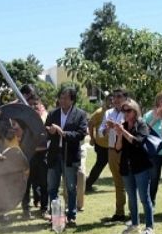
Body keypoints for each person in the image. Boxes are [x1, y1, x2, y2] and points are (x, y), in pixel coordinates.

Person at [45, 86, 87, 226]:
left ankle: (71, 215)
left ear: (72, 100)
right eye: (60, 97)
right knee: (52, 187)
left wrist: (63, 133)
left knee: (70, 187)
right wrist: (50, 131)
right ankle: (56, 217)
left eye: (65, 98)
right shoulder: (53, 114)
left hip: (70, 154)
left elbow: (81, 133)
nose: (61, 100)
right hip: (54, 155)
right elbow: (45, 131)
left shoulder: (80, 114)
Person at [115, 99, 155, 234]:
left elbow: (138, 142)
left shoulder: (142, 124)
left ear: (135, 111)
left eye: (128, 110)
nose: (125, 113)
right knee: (131, 198)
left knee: (144, 198)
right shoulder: (123, 125)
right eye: (123, 110)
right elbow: (118, 148)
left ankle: (150, 228)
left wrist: (123, 132)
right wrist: (119, 135)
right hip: (127, 166)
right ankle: (135, 224)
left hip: (141, 166)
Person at [98, 88, 128, 222]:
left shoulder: (130, 112)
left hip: (127, 150)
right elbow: (100, 131)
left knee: (130, 182)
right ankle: (120, 212)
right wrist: (106, 129)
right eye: (114, 97)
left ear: (125, 99)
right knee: (118, 182)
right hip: (112, 150)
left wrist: (116, 126)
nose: (115, 100)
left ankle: (134, 213)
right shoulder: (108, 112)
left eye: (119, 97)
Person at [143, 92, 162, 209]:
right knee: (153, 180)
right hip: (153, 153)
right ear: (157, 102)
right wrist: (155, 119)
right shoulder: (148, 115)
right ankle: (150, 205)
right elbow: (142, 132)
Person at [22, 95, 48, 218]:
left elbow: (43, 123)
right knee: (26, 184)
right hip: (28, 154)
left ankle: (44, 209)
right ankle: (26, 210)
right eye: (30, 104)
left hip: (43, 154)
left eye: (35, 104)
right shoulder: (24, 118)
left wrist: (39, 114)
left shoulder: (44, 115)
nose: (32, 107)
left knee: (44, 183)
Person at [85, 94, 111, 193]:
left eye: (113, 100)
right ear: (105, 101)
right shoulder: (99, 112)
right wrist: (92, 138)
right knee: (99, 165)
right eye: (110, 100)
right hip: (101, 145)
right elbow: (90, 124)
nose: (112, 102)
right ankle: (87, 184)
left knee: (117, 165)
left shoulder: (115, 112)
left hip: (113, 144)